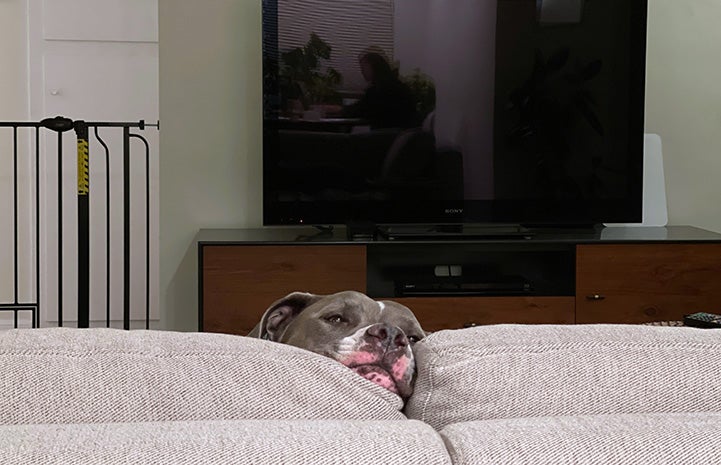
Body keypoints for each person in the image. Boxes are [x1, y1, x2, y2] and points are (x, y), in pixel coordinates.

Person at [344, 52, 418, 129]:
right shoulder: (398, 85)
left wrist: (340, 110)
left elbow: (360, 110)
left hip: (386, 136)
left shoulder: (379, 89)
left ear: (373, 67)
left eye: (363, 68)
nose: (362, 72)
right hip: (403, 135)